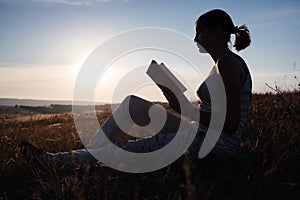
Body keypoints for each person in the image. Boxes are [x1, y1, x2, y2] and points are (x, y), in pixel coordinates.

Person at [20, 9, 252, 170]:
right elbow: (213, 113)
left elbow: (230, 125)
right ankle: (89, 156)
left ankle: (57, 161)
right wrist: (178, 102)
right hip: (199, 131)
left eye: (200, 31)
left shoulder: (227, 63)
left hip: (215, 145)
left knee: (128, 149)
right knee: (133, 104)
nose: (195, 38)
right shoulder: (220, 64)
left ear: (219, 30)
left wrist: (185, 108)